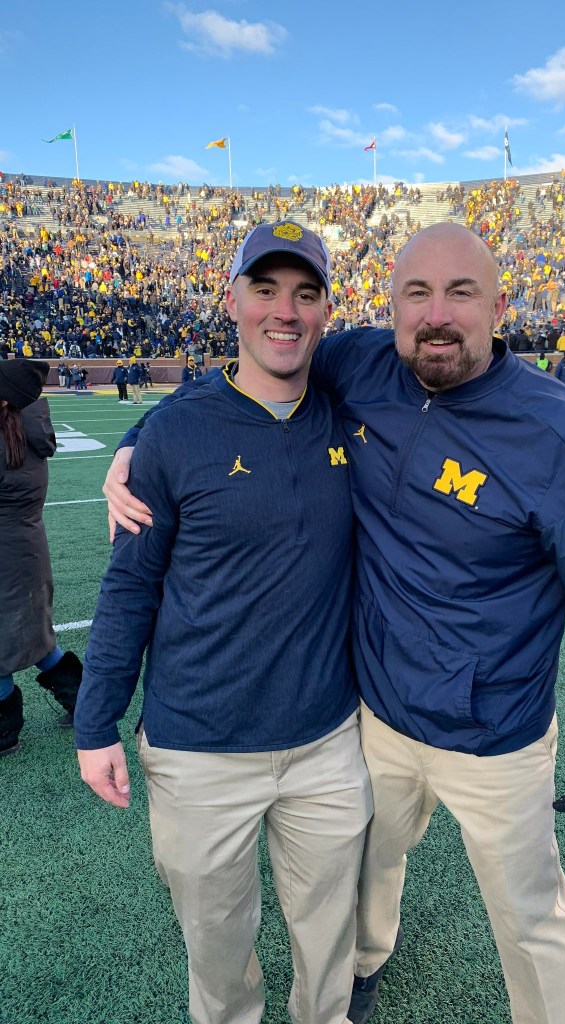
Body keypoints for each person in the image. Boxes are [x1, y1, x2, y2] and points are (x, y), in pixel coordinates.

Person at [104, 223, 565, 1024]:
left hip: (494, 736)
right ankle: (365, 964)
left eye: (461, 293)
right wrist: (135, 445)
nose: (437, 314)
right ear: (390, 305)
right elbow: (235, 388)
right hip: (375, 717)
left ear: (501, 306)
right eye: (417, 293)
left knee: (532, 918)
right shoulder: (365, 362)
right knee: (366, 865)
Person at [75, 222, 372, 1024]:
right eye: (267, 289)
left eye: (305, 294)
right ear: (232, 298)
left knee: (329, 943)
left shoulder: (351, 411)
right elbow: (129, 588)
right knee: (216, 954)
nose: (286, 311)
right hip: (198, 750)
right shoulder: (174, 429)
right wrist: (94, 722)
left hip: (327, 743)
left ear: (325, 310)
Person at [0, 359, 83, 756]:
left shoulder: (10, 442)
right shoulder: (26, 432)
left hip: (9, 557)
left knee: (5, 648)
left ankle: (4, 734)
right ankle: (84, 700)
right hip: (25, 552)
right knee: (35, 638)